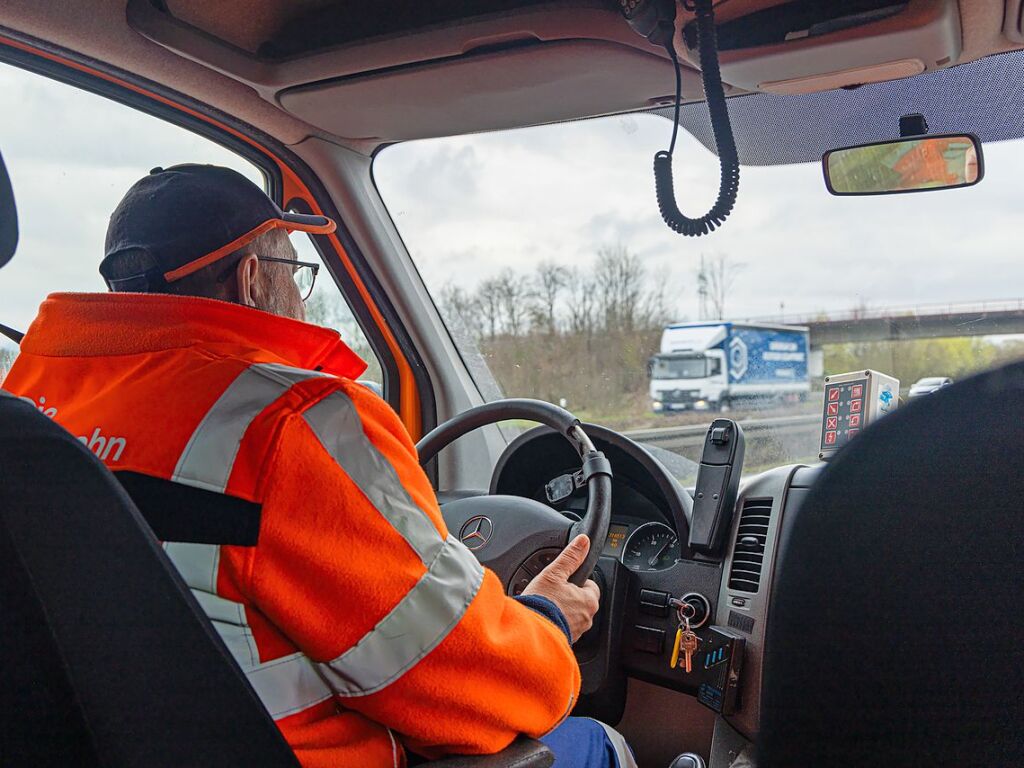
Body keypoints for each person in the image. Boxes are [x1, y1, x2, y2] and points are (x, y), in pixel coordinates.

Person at [2, 165, 636, 768]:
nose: (302, 298)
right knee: (593, 741)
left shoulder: (28, 405)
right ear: (252, 277)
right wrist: (548, 620)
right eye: (295, 272)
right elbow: (467, 690)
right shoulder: (291, 422)